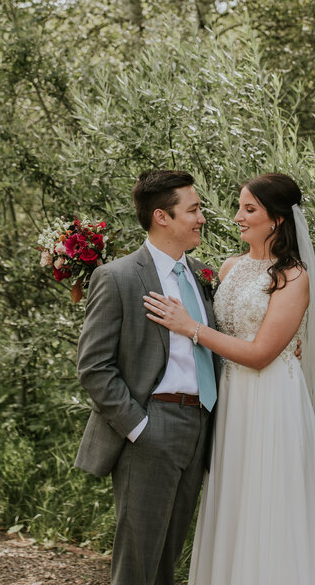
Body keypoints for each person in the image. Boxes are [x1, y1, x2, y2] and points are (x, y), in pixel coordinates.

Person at [144, 172, 315, 584]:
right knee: (235, 500)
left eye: (249, 208)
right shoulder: (228, 267)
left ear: (276, 218)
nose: (237, 216)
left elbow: (260, 354)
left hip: (272, 398)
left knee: (271, 502)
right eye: (239, 206)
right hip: (231, 398)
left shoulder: (293, 277)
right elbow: (216, 323)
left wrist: (191, 328)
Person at [74, 169, 221, 585]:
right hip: (151, 425)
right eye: (193, 210)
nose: (201, 218)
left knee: (168, 558)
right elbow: (94, 366)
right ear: (162, 217)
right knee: (137, 562)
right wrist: (139, 427)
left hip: (201, 427)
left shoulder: (205, 275)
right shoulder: (117, 278)